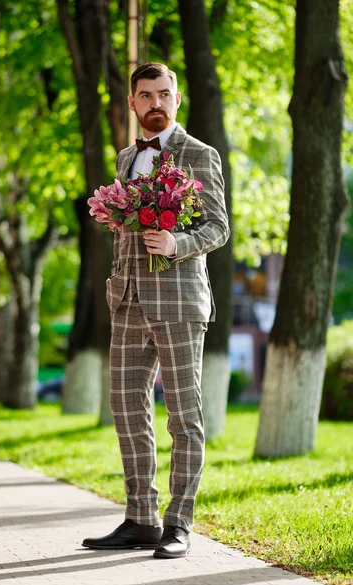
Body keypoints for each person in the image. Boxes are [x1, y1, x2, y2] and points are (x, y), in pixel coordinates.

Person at [82, 62, 230, 558]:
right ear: (131, 102)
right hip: (127, 302)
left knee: (184, 417)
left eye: (164, 94)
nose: (155, 104)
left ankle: (178, 525)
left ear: (177, 98)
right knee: (126, 411)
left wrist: (176, 241)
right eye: (145, 96)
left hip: (181, 303)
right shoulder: (126, 157)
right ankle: (140, 518)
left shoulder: (200, 155)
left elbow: (218, 229)